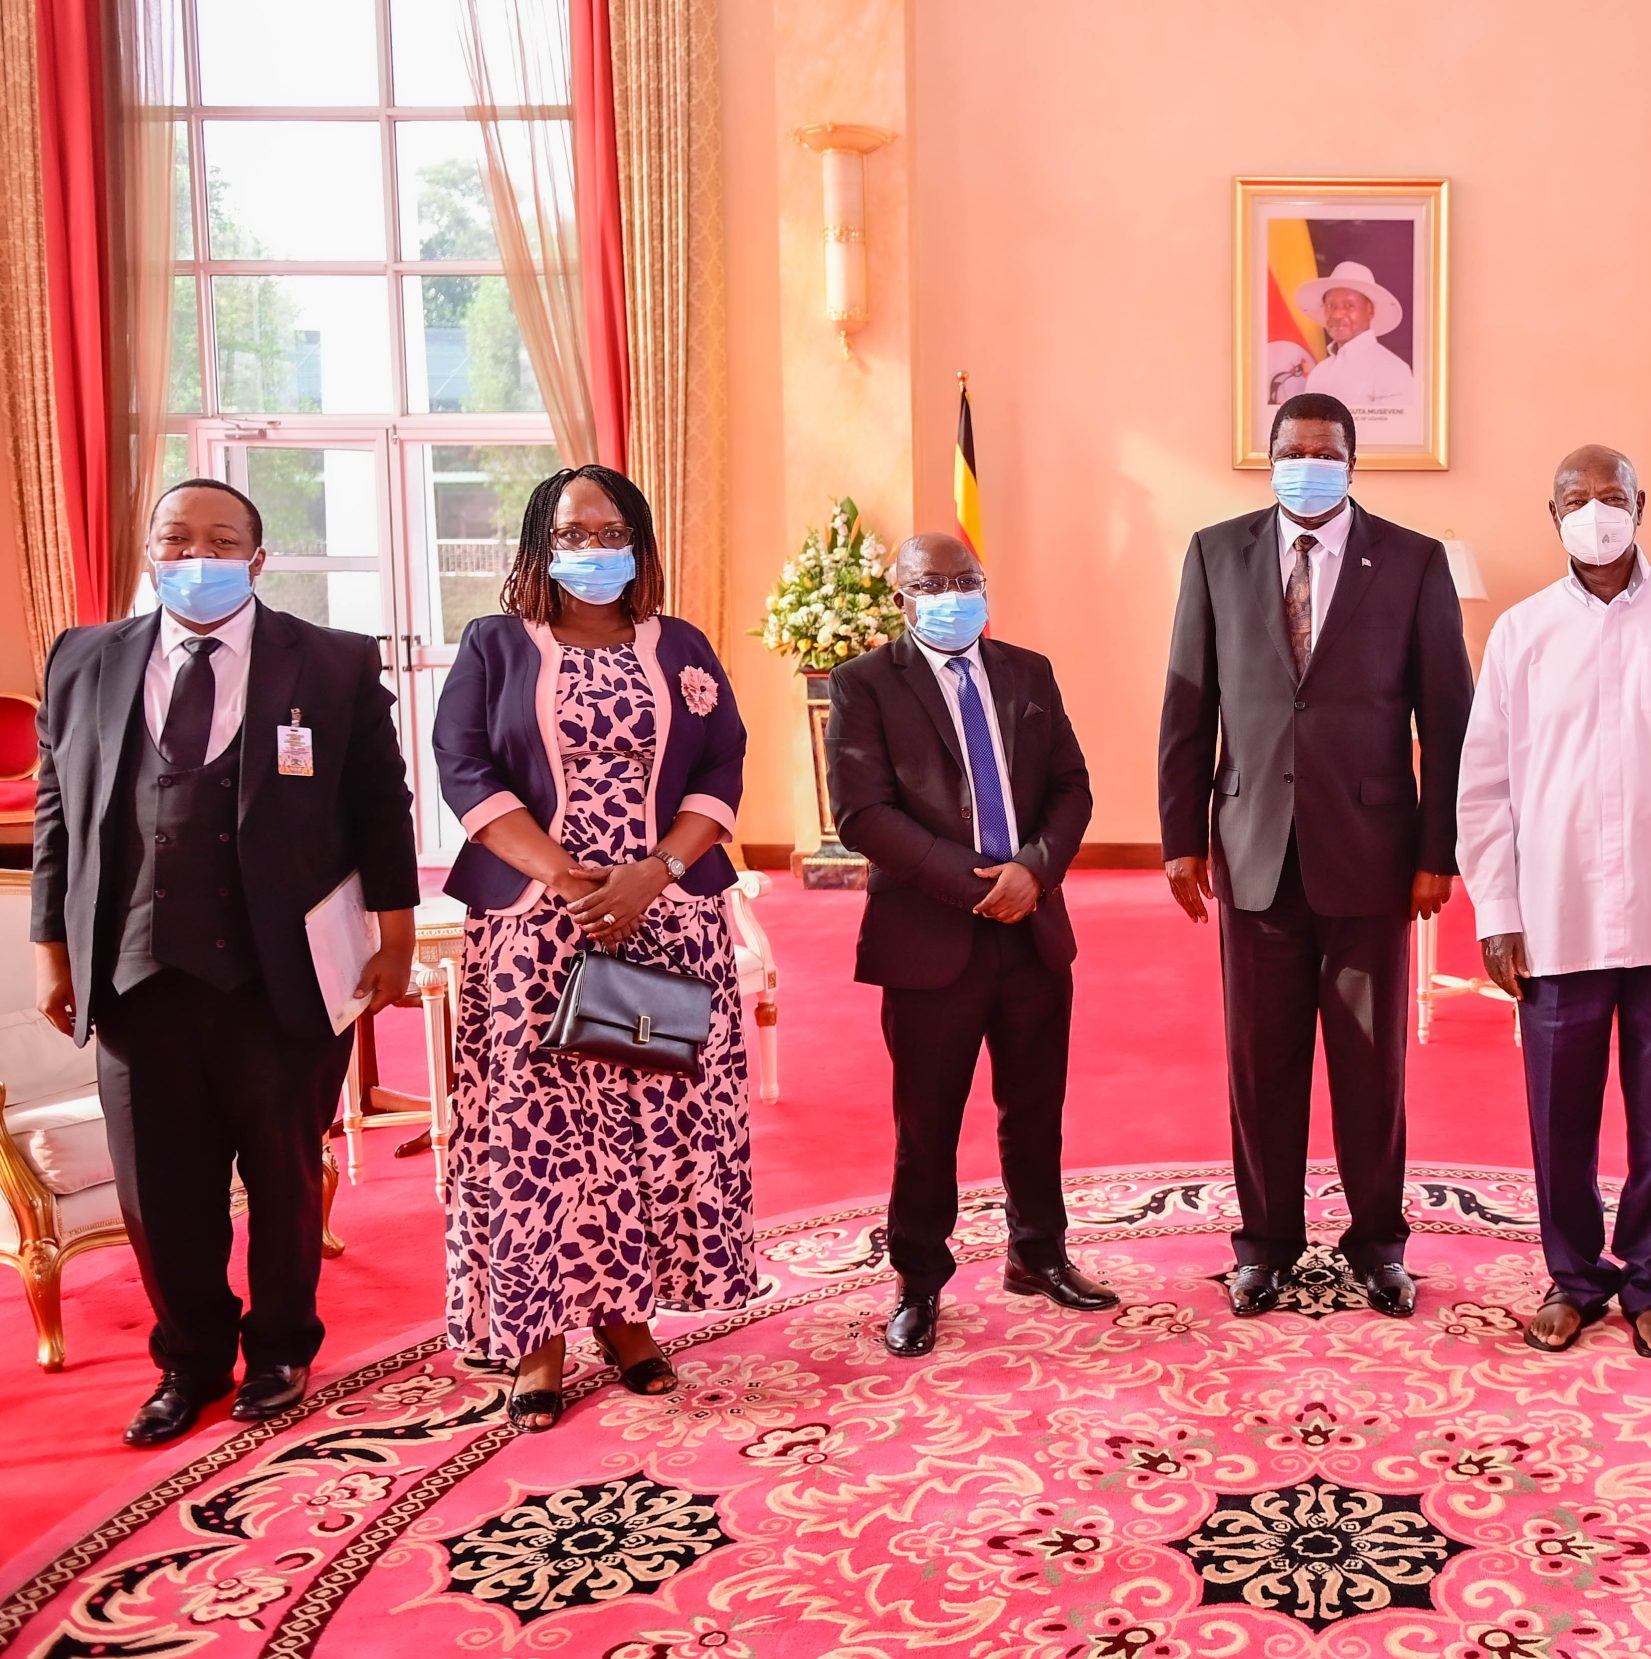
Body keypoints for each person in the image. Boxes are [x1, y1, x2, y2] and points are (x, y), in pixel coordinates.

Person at [29, 478, 419, 1446]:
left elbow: (381, 805)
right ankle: (191, 1360)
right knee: (159, 1189)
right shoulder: (84, 660)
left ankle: (282, 1345)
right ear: (150, 548)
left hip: (277, 974)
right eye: (176, 538)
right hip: (133, 973)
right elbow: (55, 816)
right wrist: (51, 950)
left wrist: (395, 935)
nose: (194, 557)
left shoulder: (327, 663)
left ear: (256, 556)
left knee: (284, 1172)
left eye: (219, 541)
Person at [433, 464, 754, 1432]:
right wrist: (575, 883)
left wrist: (650, 874)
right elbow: (462, 765)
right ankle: (536, 1337)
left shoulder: (683, 645)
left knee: (646, 1129)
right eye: (572, 532)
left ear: (640, 541)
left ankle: (628, 1322)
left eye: (608, 529)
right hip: (538, 931)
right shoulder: (495, 645)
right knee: (541, 1139)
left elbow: (723, 761)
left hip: (665, 923)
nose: (591, 548)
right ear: (539, 543)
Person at [1458, 445, 1651, 1357]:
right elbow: (1484, 786)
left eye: (1611, 495)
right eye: (1575, 497)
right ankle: (1573, 1278)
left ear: (1643, 503)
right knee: (1559, 1112)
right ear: (1549, 512)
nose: (1595, 511)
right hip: (1557, 915)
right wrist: (1497, 908)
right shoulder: (1521, 633)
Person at [1158, 390, 1473, 1318]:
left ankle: (1378, 1242)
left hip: (1373, 857)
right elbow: (1188, 704)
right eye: (1291, 449)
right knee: (1259, 1062)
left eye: (1324, 450)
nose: (1307, 462)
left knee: (1372, 1066)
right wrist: (1180, 836)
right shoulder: (1216, 552)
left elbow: (1446, 722)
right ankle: (1264, 1243)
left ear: (1351, 461)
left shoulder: (1414, 562)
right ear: (1267, 457)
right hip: (1253, 847)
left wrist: (1436, 850)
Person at [826, 533, 1114, 1357]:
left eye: (967, 581)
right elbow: (862, 813)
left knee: (1035, 1109)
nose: (952, 595)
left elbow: (1072, 785)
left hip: (1033, 929)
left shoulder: (1028, 671)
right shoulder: (863, 685)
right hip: (928, 938)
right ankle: (919, 1281)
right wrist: (977, 883)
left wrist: (1034, 870)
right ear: (901, 598)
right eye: (932, 583)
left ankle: (1038, 1253)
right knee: (928, 1122)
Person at [1298, 263, 1417, 415]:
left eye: (1349, 305)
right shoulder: (1319, 371)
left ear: (1370, 310)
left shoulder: (1393, 370)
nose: (1337, 315)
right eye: (1331, 305)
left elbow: (1393, 435)